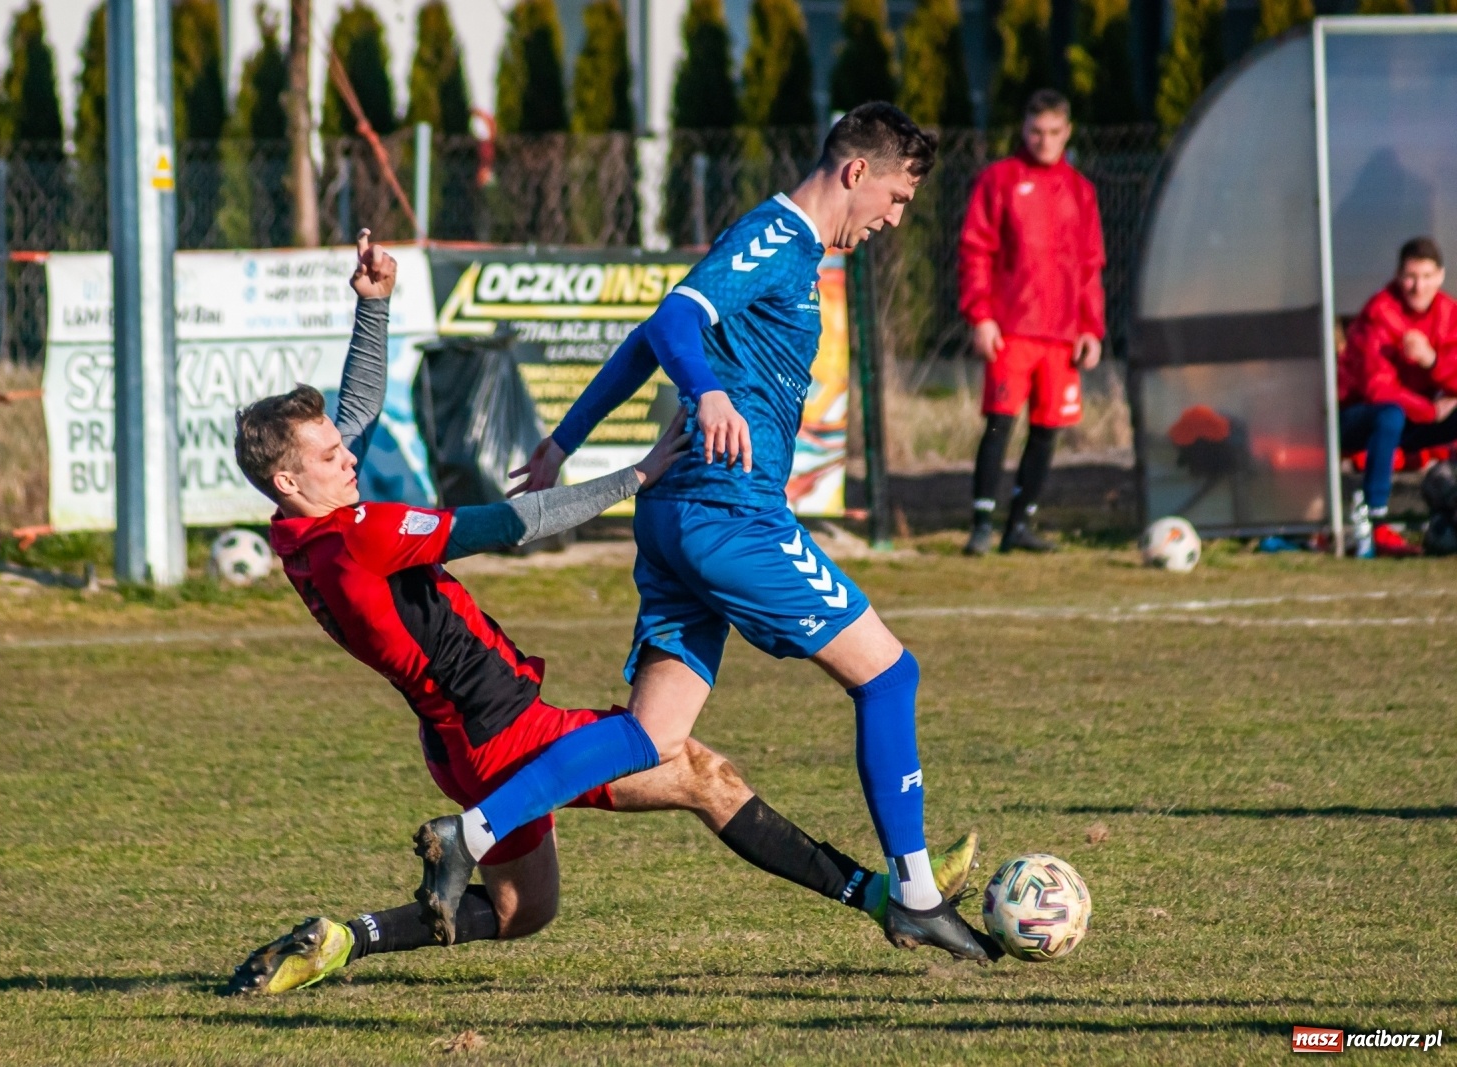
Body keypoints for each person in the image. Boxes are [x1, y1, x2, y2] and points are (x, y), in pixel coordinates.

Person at [224, 231, 980, 996]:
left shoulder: (300, 534)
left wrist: (374, 307)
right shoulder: (361, 537)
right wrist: (640, 471)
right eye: (328, 457)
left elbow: (353, 411)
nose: (348, 456)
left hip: (455, 742)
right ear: (288, 477)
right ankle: (887, 896)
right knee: (700, 773)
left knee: (525, 909)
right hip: (502, 729)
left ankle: (346, 938)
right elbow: (510, 524)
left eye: (338, 448)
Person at [411, 103, 1002, 964]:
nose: (894, 219)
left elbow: (656, 325)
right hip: (729, 513)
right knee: (889, 674)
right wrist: (714, 396)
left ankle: (471, 830)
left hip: (682, 516)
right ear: (855, 173)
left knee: (655, 734)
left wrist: (564, 440)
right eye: (899, 197)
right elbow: (676, 326)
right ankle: (912, 891)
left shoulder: (777, 245)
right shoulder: (777, 234)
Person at [957, 89, 1106, 556]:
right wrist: (981, 315)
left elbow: (1089, 265)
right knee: (1000, 424)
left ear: (1067, 132)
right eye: (1035, 131)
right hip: (1012, 328)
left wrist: (1091, 328)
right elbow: (975, 250)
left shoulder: (1080, 190)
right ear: (1023, 129)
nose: (1044, 141)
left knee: (1047, 430)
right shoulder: (998, 180)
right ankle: (982, 523)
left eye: (1054, 132)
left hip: (1061, 336)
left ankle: (1019, 525)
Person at [1337, 236, 1457, 557]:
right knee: (1389, 414)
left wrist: (1431, 361)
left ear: (1441, 276)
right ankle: (1376, 521)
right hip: (1357, 421)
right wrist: (1430, 411)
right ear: (1398, 276)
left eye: (1427, 276)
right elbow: (1377, 389)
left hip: (1411, 422)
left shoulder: (1448, 312)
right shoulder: (1379, 312)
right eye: (1410, 277)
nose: (1419, 286)